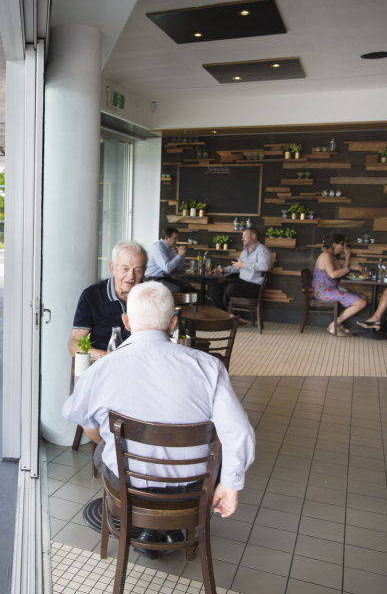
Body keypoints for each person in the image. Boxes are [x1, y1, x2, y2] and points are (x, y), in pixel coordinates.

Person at [61, 282, 255, 560]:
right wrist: (230, 485)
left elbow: (79, 417)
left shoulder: (102, 369)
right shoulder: (209, 367)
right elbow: (240, 433)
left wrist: (111, 441)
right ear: (173, 323)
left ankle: (144, 525)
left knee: (105, 449)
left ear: (127, 322)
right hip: (191, 491)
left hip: (129, 489)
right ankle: (166, 527)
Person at [68, 241, 147, 359]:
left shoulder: (150, 296)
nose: (131, 276)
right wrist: (108, 357)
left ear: (144, 271)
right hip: (102, 362)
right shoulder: (92, 295)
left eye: (137, 270)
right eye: (125, 269)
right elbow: (74, 345)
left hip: (139, 361)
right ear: (112, 268)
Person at [311, 234, 367, 336]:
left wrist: (347, 256)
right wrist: (351, 268)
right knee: (361, 303)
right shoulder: (326, 256)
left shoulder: (331, 256)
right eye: (342, 244)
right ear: (334, 244)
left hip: (331, 289)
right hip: (323, 291)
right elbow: (333, 275)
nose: (343, 246)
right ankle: (334, 325)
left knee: (363, 297)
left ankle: (338, 324)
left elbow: (341, 272)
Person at [209, 227, 272, 312]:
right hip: (241, 283)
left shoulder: (262, 250)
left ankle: (227, 313)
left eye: (245, 236)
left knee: (231, 288)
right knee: (214, 289)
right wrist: (223, 269)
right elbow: (238, 267)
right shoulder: (244, 252)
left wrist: (244, 265)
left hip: (254, 287)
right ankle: (222, 314)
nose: (242, 239)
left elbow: (265, 266)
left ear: (253, 236)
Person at [145, 227, 193, 293]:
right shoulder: (158, 248)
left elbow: (178, 268)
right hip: (152, 279)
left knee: (187, 287)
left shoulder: (171, 249)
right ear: (166, 238)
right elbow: (167, 268)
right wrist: (179, 255)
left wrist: (182, 256)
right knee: (176, 290)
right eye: (175, 238)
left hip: (164, 278)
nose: (177, 240)